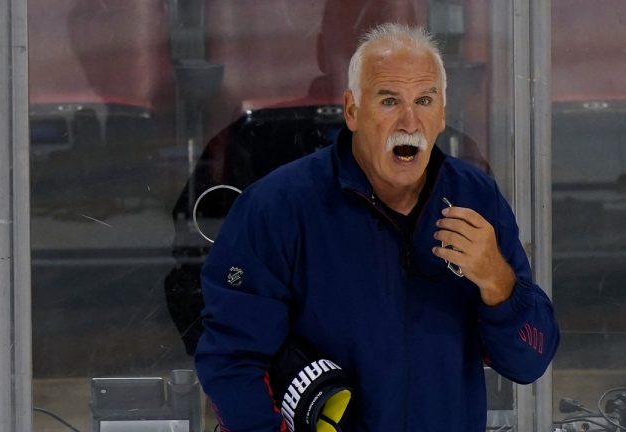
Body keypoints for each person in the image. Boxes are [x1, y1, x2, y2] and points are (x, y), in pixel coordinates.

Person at [195, 23, 559, 432]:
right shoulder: (278, 207)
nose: (410, 121)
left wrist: (498, 282)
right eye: (389, 101)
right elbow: (231, 361)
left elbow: (530, 361)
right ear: (352, 111)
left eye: (425, 100)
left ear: (442, 114)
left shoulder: (477, 199)